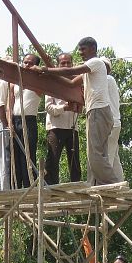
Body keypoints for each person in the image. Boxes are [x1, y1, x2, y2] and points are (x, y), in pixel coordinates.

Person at [39, 37, 118, 185]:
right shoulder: (89, 71)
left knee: (94, 155)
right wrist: (50, 72)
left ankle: (112, 184)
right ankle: (105, 184)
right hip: (97, 112)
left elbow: (71, 71)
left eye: (83, 49)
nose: (80, 53)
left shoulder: (95, 62)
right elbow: (69, 82)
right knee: (99, 154)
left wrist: (47, 70)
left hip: (98, 111)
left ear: (93, 49)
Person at [44, 53, 81, 184]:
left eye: (68, 63)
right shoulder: (51, 83)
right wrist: (64, 107)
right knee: (52, 161)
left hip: (72, 127)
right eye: (63, 63)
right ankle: (51, 191)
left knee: (75, 162)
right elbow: (48, 108)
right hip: (55, 127)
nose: (66, 66)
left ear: (72, 64)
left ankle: (77, 189)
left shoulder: (77, 82)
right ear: (58, 65)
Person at [11, 54, 42, 188]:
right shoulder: (15, 82)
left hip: (28, 121)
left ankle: (30, 187)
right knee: (15, 157)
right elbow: (10, 104)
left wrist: (33, 73)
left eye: (30, 63)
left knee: (28, 156)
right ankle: (16, 188)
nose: (26, 65)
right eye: (24, 62)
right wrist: (9, 122)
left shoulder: (39, 81)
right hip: (15, 120)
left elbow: (41, 88)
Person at [100, 56, 124, 182]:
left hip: (110, 123)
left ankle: (106, 185)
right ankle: (120, 182)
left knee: (106, 157)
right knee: (114, 157)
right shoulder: (111, 80)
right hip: (115, 122)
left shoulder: (106, 79)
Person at [0, 74, 12, 191]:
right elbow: (0, 106)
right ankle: (4, 188)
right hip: (2, 120)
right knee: (4, 156)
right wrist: (6, 125)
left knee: (0, 156)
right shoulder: (2, 83)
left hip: (3, 121)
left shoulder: (7, 83)